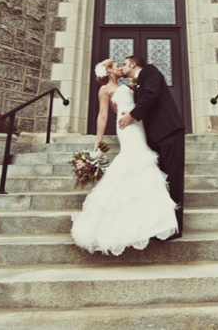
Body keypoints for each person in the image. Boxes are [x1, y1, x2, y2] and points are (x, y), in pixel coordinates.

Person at [70, 59, 178, 255]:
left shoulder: (129, 85)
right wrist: (98, 142)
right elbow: (102, 116)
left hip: (139, 124)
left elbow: (145, 99)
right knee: (134, 158)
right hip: (127, 127)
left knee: (144, 158)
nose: (121, 67)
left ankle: (146, 216)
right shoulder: (105, 90)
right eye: (117, 65)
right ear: (109, 70)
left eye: (123, 64)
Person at [119, 55, 185, 238]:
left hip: (169, 131)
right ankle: (162, 224)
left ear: (133, 64)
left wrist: (132, 115)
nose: (123, 67)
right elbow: (144, 101)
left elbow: (152, 94)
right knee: (160, 181)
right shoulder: (137, 82)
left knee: (174, 179)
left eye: (124, 64)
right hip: (154, 136)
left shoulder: (150, 71)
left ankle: (175, 228)